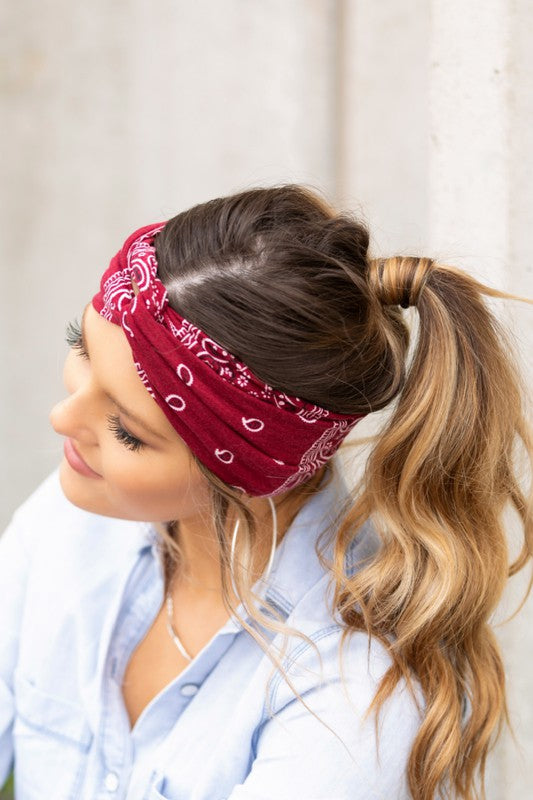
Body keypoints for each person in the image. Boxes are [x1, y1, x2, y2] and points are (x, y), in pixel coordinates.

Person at [0, 184, 531, 800]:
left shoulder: (353, 694)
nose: (63, 419)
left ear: (245, 469)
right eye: (82, 349)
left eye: (127, 431)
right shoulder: (74, 519)